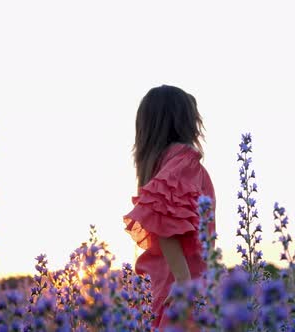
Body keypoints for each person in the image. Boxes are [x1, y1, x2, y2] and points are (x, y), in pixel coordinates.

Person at [123, 84, 216, 329]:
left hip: (166, 283)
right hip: (186, 285)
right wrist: (185, 281)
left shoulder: (162, 163)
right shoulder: (184, 158)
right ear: (183, 120)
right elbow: (163, 219)